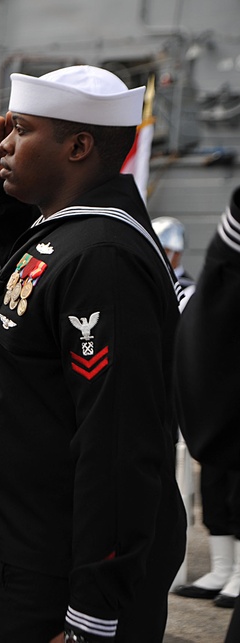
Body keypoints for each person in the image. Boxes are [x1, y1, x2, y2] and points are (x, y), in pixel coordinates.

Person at [0, 65, 186, 642]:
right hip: (30, 555)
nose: (5, 143)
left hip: (62, 582)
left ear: (79, 146)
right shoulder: (68, 236)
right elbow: (27, 279)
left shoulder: (103, 259)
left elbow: (117, 441)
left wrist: (93, 612)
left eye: (23, 129)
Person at [160, 214, 240, 607]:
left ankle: (239, 572)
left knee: (236, 486)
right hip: (207, 401)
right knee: (213, 485)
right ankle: (223, 568)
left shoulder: (194, 290)